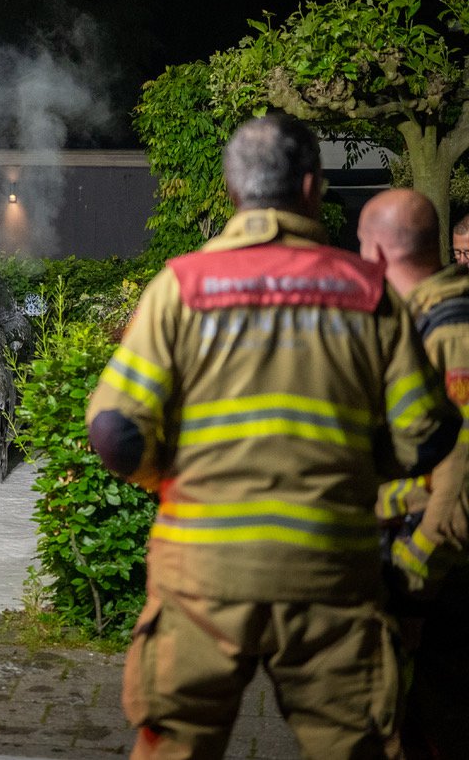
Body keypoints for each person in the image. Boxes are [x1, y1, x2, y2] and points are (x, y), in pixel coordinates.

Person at [85, 114, 461, 760]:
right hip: (332, 572)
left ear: (231, 190)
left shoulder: (180, 287)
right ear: (313, 187)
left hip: (201, 571)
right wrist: (352, 472)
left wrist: (172, 480)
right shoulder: (369, 294)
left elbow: (115, 431)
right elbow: (428, 436)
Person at [357, 188, 469, 760]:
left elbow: (460, 480)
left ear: (377, 253)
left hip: (440, 584)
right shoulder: (425, 317)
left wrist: (412, 579)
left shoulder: (448, 331)